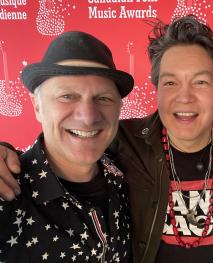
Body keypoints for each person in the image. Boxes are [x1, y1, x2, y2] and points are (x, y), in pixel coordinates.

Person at [0, 16, 213, 263]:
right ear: (156, 90)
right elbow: (68, 143)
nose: (184, 97)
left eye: (200, 82)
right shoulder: (125, 143)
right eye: (170, 83)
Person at [0, 31, 133, 262]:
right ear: (37, 106)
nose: (88, 117)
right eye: (67, 96)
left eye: (103, 98)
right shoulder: (7, 195)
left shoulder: (129, 176)